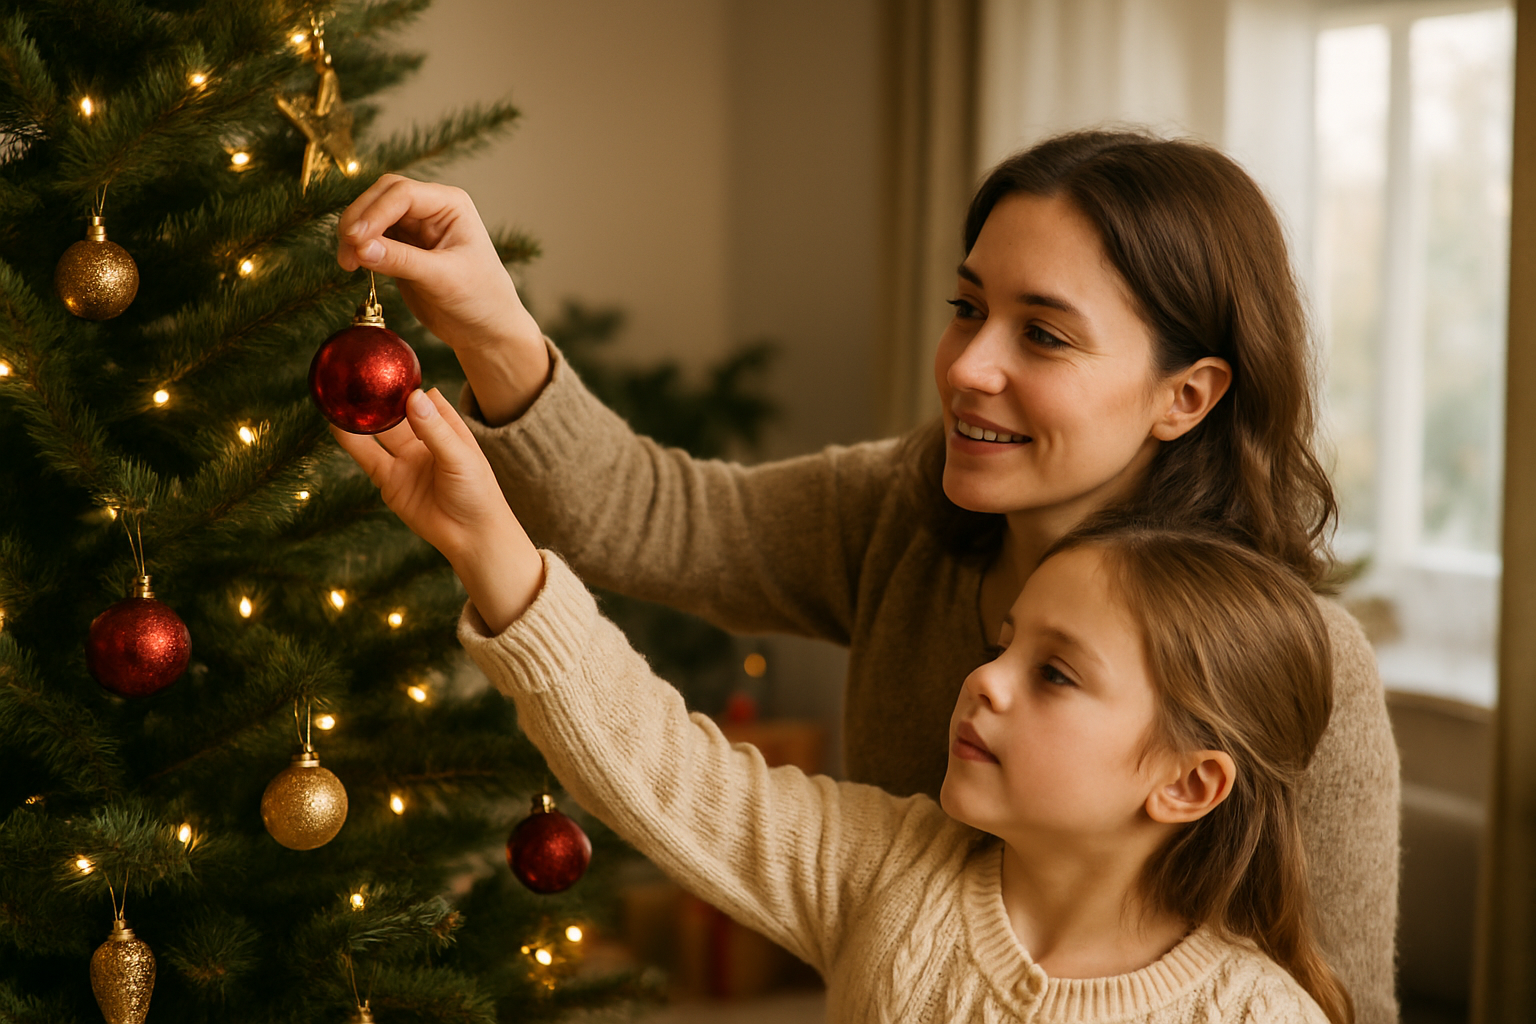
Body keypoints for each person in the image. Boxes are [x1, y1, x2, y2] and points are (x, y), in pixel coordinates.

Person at [334, 130, 1399, 1021]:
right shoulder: (906, 516)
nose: (968, 367)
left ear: (1187, 395)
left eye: (1043, 334)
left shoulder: (1298, 675)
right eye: (967, 307)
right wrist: (492, 325)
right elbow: (654, 543)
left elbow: (1339, 994)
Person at [331, 389, 1348, 1022]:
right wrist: (486, 542)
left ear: (1189, 783)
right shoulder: (889, 874)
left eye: (1055, 674)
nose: (985, 679)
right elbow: (661, 765)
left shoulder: (1252, 1012)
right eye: (1004, 645)